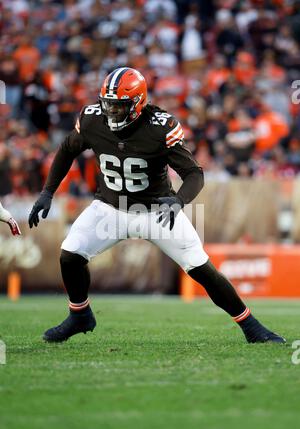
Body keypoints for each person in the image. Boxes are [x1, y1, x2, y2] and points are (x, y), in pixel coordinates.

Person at [28, 67, 285, 344]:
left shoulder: (159, 126)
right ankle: (80, 315)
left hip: (156, 212)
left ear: (138, 103)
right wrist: (48, 192)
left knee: (200, 268)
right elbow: (67, 149)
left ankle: (252, 327)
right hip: (110, 208)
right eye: (108, 104)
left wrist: (178, 200)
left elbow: (194, 174)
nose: (111, 111)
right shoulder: (93, 119)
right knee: (71, 253)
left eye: (119, 106)